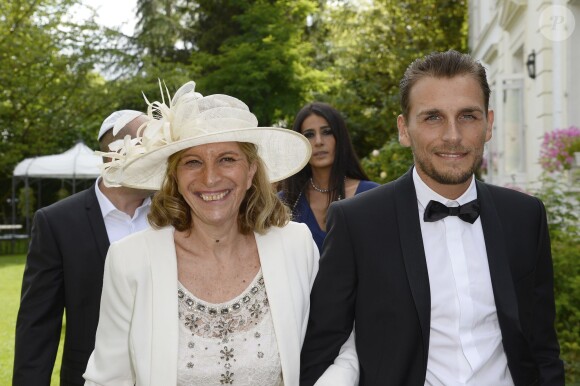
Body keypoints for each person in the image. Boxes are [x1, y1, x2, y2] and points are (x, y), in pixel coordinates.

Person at [300, 50, 564, 385]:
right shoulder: (358, 223)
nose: (453, 136)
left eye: (468, 116)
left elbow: (543, 349)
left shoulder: (525, 217)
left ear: (489, 124)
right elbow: (320, 351)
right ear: (404, 130)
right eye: (433, 118)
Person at [83, 81, 358, 386]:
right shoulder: (130, 260)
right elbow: (107, 379)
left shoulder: (296, 245)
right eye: (193, 162)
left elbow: (343, 345)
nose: (211, 178)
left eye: (227, 159)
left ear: (251, 170)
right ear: (174, 175)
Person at [13, 110, 152, 386]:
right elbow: (38, 324)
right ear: (116, 156)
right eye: (151, 150)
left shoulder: (177, 214)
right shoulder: (57, 222)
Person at [279, 102, 379, 250]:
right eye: (309, 135)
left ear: (340, 138)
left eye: (327, 132)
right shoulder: (285, 202)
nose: (318, 142)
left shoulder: (371, 195)